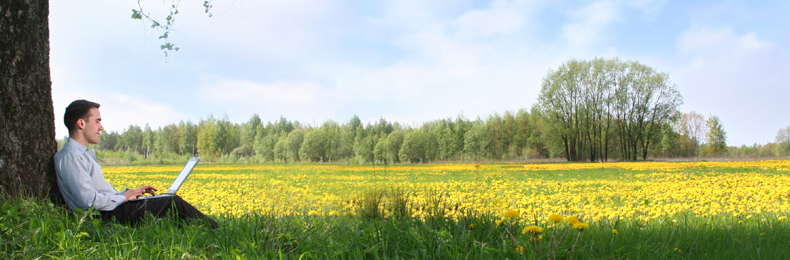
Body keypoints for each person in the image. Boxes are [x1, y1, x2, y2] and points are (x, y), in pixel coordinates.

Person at [54, 100, 218, 228]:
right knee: (171, 203)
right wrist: (124, 198)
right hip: (102, 216)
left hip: (110, 210)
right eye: (97, 121)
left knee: (166, 202)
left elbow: (99, 193)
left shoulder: (83, 155)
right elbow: (88, 202)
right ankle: (216, 232)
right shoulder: (70, 157)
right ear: (81, 124)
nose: (101, 127)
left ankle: (201, 232)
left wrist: (128, 193)